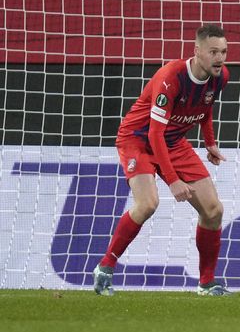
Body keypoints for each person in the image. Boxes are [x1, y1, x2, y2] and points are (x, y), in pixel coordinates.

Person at [92, 24, 231, 296]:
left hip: (174, 141)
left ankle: (207, 283)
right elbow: (154, 133)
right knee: (148, 204)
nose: (220, 58)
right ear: (197, 52)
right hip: (139, 139)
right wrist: (173, 180)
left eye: (224, 52)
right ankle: (105, 268)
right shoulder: (172, 77)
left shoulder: (220, 76)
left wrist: (210, 141)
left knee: (213, 210)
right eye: (213, 51)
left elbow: (205, 107)